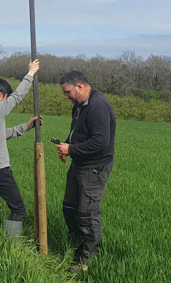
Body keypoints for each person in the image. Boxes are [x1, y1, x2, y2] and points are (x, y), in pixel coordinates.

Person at [54, 71, 116, 275]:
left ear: (79, 86)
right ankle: (77, 248)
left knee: (87, 214)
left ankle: (90, 260)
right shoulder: (80, 105)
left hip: (94, 168)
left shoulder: (98, 107)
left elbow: (101, 141)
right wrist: (66, 145)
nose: (66, 97)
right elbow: (77, 133)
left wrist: (71, 150)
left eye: (67, 92)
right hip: (79, 164)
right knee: (69, 207)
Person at [0, 59, 42, 238]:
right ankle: (12, 247)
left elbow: (2, 133)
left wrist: (26, 126)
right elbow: (17, 97)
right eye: (6, 98)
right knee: (19, 210)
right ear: (1, 95)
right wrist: (30, 74)